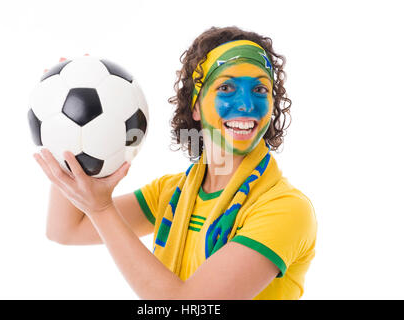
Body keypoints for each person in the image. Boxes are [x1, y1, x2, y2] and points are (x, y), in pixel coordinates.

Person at [33, 26, 317, 300]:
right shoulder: (173, 193)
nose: (246, 105)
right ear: (195, 105)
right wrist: (68, 133)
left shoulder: (285, 209)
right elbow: (66, 229)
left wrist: (102, 208)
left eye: (260, 90)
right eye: (227, 87)